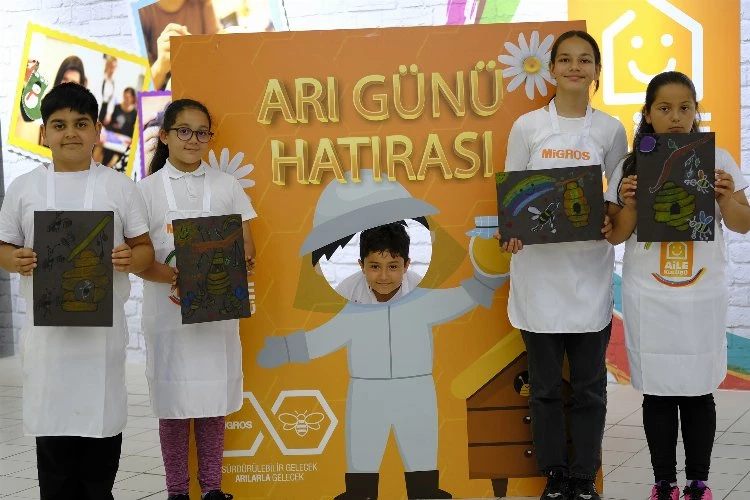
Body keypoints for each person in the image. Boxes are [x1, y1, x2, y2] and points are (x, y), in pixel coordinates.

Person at [0, 82, 154, 499]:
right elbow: (4, 247)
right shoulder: (24, 188)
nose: (71, 133)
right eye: (59, 124)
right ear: (44, 133)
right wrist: (15, 259)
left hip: (100, 340)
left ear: (97, 131)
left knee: (100, 450)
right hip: (47, 339)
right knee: (54, 451)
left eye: (81, 124)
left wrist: (129, 258)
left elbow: (144, 249)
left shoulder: (119, 187)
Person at [495, 30, 628, 500]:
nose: (575, 67)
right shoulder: (527, 127)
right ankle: (554, 476)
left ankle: (584, 476)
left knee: (590, 387)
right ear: (551, 69)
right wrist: (510, 231)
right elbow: (513, 195)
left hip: (589, 273)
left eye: (585, 60)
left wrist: (610, 217)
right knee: (546, 388)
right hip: (538, 276)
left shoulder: (611, 129)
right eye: (566, 59)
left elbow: (618, 197)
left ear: (596, 71)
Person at [605, 71, 750, 500]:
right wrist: (630, 203)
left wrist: (726, 199)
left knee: (700, 389)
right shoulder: (630, 166)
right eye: (664, 108)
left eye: (684, 108)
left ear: (695, 112)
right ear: (648, 114)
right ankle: (663, 482)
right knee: (658, 391)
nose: (675, 116)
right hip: (650, 295)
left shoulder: (718, 159)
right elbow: (615, 233)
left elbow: (743, 223)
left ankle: (698, 483)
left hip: (701, 295)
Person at [136, 98, 257, 500]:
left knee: (212, 402)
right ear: (165, 136)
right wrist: (174, 276)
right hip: (167, 318)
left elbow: (248, 245)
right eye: (184, 131)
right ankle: (176, 490)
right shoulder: (145, 192)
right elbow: (136, 257)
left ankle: (212, 489)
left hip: (216, 317)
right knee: (172, 405)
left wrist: (243, 261)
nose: (193, 139)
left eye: (202, 132)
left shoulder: (226, 186)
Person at [138, 0, 221, 90]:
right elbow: (140, 92)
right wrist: (160, 67)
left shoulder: (203, 2)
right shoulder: (141, 11)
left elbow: (220, 52)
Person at [335, 222, 423, 304]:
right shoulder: (346, 292)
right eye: (375, 266)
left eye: (393, 267)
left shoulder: (421, 289)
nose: (383, 277)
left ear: (406, 265)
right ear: (362, 266)